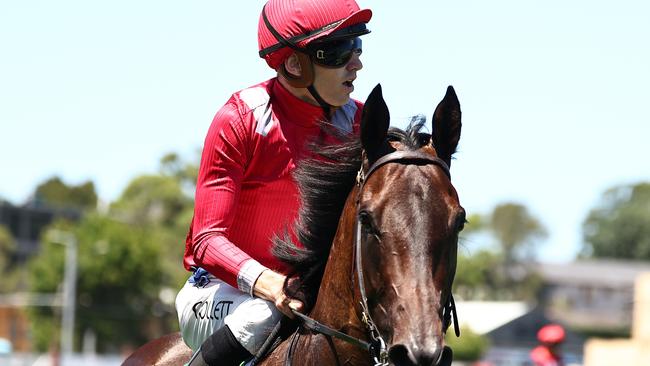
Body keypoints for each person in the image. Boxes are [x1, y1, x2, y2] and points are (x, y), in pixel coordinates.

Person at [174, 1, 373, 365]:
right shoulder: (239, 120)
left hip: (303, 292)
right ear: (295, 64)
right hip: (221, 292)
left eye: (357, 46)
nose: (356, 62)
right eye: (340, 51)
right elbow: (206, 240)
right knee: (263, 316)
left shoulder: (358, 123)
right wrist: (268, 283)